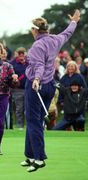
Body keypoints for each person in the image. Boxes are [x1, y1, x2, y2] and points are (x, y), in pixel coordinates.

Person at [21, 10, 80, 172]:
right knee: (35, 120)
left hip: (36, 86)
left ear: (35, 30)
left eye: (31, 29)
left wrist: (36, 79)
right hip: (50, 86)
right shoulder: (55, 39)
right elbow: (67, 33)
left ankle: (39, 158)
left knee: (33, 122)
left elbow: (39, 66)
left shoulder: (36, 46)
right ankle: (30, 155)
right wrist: (74, 21)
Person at [10, 47, 29, 129]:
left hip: (29, 89)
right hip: (17, 90)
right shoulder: (12, 64)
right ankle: (19, 127)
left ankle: (30, 127)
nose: (21, 56)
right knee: (19, 109)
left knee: (29, 109)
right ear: (17, 54)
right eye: (19, 54)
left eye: (23, 54)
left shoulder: (30, 63)